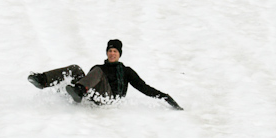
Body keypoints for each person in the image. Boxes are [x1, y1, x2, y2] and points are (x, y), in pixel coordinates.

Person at [28, 39, 183, 109]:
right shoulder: (99, 68)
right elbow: (91, 78)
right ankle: (43, 80)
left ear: (120, 54)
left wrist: (165, 97)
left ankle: (80, 90)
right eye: (109, 50)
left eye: (115, 51)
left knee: (98, 71)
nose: (112, 53)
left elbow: (144, 87)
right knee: (75, 68)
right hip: (95, 93)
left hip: (110, 99)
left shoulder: (126, 71)